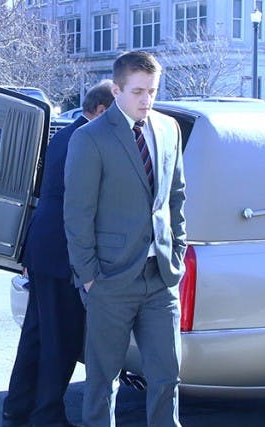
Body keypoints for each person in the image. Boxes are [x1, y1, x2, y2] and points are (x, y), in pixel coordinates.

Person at [64, 50, 187, 427]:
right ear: (116, 90)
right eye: (138, 91)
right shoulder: (91, 138)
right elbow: (77, 213)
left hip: (160, 275)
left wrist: (177, 249)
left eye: (152, 90)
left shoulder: (168, 129)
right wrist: (89, 276)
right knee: (103, 381)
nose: (146, 100)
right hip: (109, 279)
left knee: (167, 376)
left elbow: (176, 196)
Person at [2, 80, 115, 427]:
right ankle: (47, 414)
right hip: (62, 251)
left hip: (43, 246)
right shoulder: (87, 140)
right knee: (61, 338)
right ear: (99, 110)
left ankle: (17, 408)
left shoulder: (64, 135)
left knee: (37, 334)